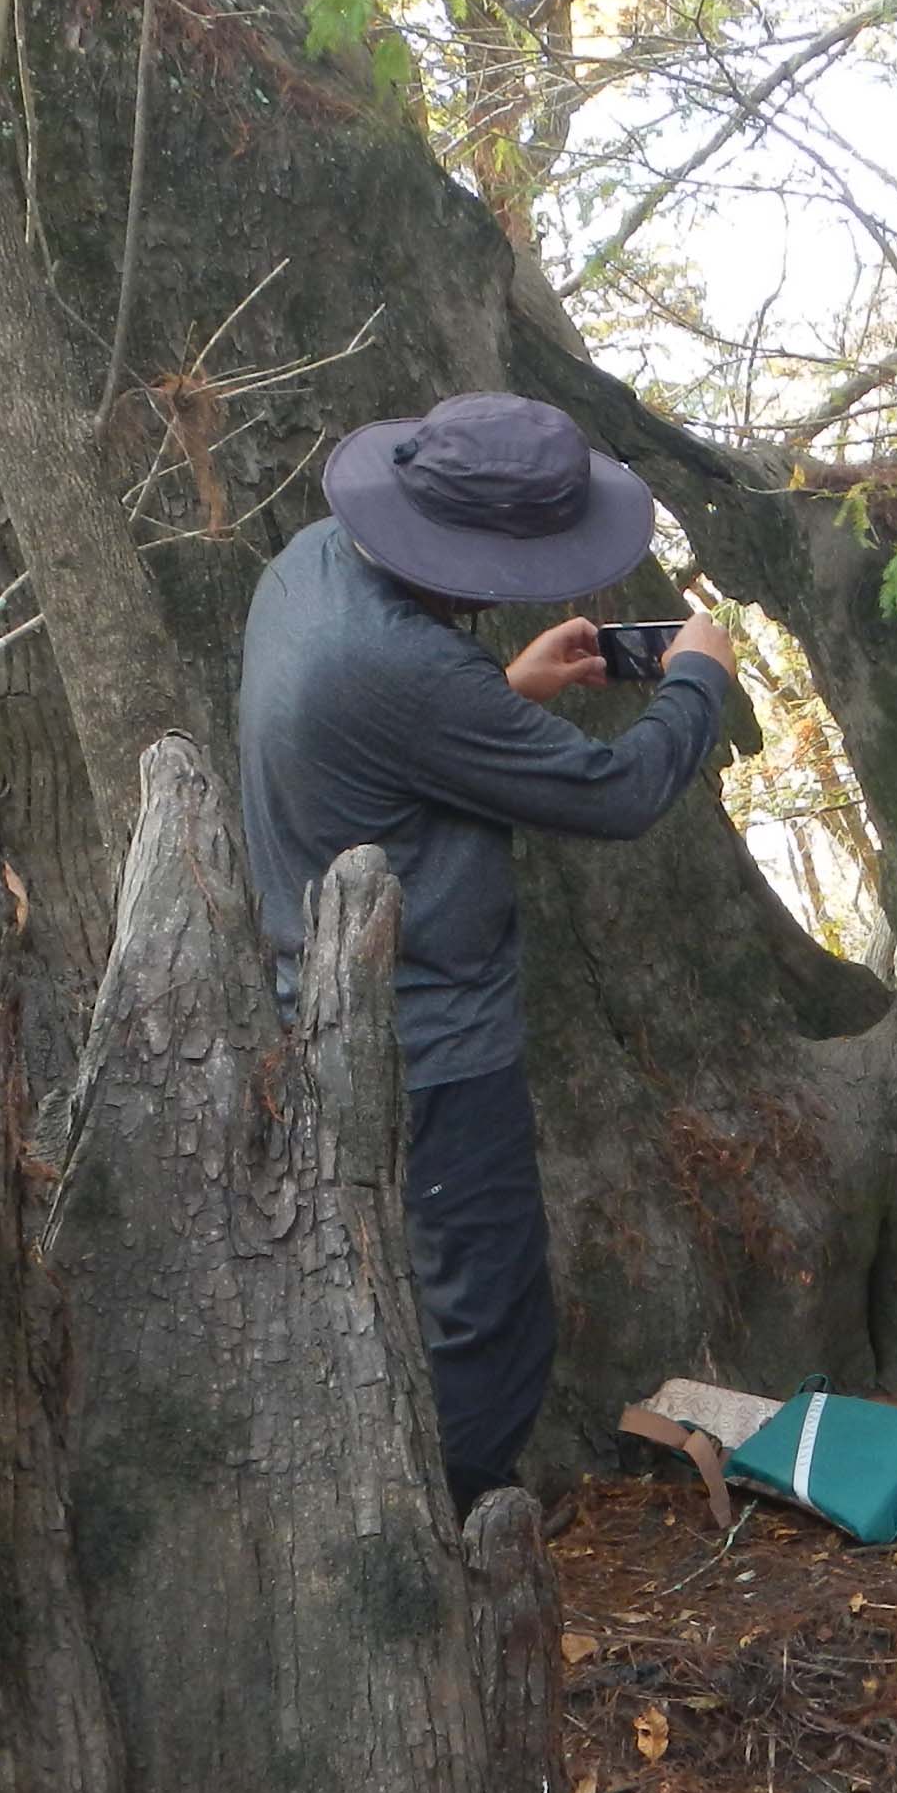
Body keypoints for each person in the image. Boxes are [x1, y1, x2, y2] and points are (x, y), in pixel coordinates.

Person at [238, 390, 735, 1514]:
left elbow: (378, 741)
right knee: (486, 1319)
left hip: (325, 993)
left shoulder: (311, 566)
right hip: (424, 1034)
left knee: (417, 1288)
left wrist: (504, 694)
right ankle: (454, 1541)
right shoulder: (405, 667)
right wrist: (699, 677)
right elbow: (616, 795)